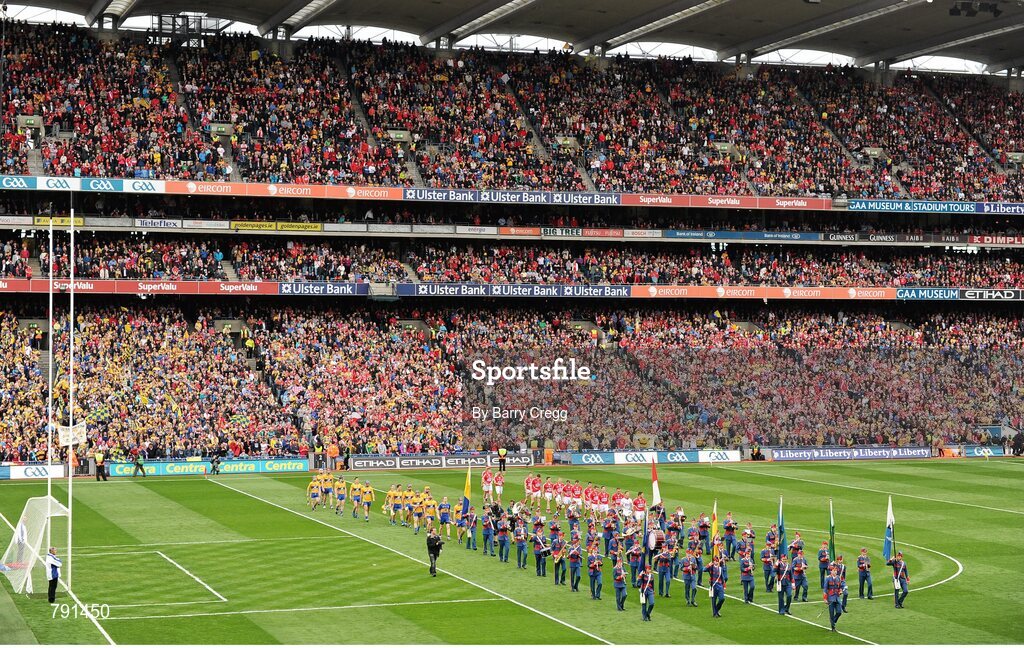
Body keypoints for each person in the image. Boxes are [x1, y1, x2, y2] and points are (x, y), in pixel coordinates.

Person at [824, 565, 844, 631]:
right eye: (834, 570)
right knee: (831, 613)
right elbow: (825, 589)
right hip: (830, 598)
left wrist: (841, 591)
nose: (835, 572)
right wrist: (825, 599)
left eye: (836, 570)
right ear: (831, 571)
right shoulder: (827, 578)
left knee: (839, 612)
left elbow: (840, 587)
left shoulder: (838, 578)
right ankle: (833, 627)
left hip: (837, 597)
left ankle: (833, 621)